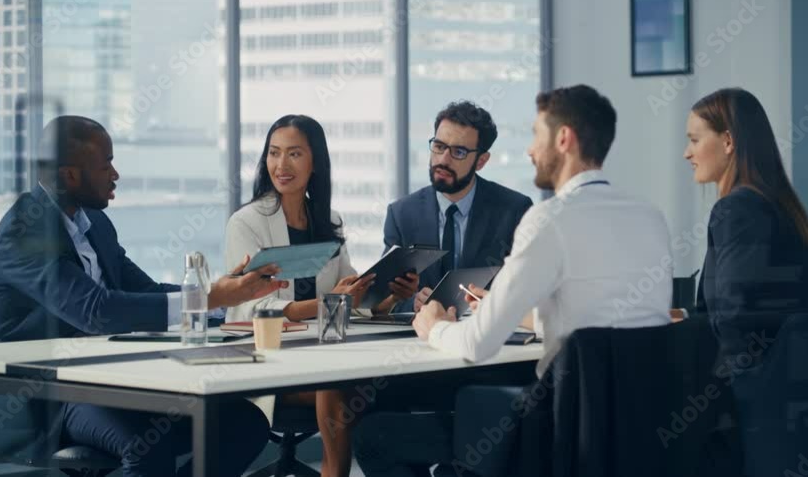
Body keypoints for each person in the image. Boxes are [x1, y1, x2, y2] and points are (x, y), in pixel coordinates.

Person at [353, 85, 674, 476]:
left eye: (536, 136)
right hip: (639, 422)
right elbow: (593, 321)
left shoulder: (547, 219)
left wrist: (434, 326)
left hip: (553, 422)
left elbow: (476, 344)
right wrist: (500, 307)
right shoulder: (650, 216)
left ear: (563, 139)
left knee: (373, 434)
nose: (529, 151)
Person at [0, 116, 286, 477]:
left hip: (116, 380)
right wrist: (206, 297)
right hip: (53, 394)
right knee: (147, 444)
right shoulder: (22, 232)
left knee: (244, 422)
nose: (115, 174)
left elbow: (143, 291)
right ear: (69, 175)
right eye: (105, 164)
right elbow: (96, 311)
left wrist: (223, 296)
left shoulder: (94, 224)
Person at [223, 114, 375, 477]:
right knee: (335, 383)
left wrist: (377, 297)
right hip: (267, 359)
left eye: (294, 154)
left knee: (362, 379)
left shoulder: (329, 220)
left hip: (322, 354)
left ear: (315, 162)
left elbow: (345, 294)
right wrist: (328, 304)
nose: (281, 165)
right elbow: (253, 305)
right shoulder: (247, 223)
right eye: (274, 153)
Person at [679, 88, 808, 477]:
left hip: (743, 395)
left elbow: (736, 318)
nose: (687, 154)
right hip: (784, 391)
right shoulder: (780, 204)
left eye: (694, 140)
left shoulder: (737, 208)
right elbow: (750, 304)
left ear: (727, 142)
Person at [383, 101, 532, 314]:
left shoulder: (514, 211)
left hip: (487, 338)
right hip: (419, 339)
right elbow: (384, 300)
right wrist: (413, 303)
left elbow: (527, 289)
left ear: (481, 161)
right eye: (439, 146)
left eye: (459, 152)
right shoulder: (402, 214)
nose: (443, 159)